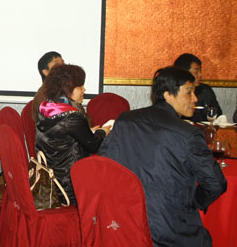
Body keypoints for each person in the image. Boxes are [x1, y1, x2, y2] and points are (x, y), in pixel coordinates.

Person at [99, 66, 227, 246]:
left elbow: (104, 164)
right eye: (189, 92)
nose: (195, 99)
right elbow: (215, 183)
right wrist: (194, 201)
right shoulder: (188, 134)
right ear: (168, 95)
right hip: (170, 228)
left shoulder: (125, 119)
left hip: (124, 222)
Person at [34, 64, 110, 205]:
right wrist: (102, 132)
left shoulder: (45, 107)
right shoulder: (72, 117)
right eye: (80, 86)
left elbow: (60, 136)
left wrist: (87, 131)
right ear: (67, 89)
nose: (84, 90)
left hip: (49, 179)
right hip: (69, 185)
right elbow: (93, 145)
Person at [173, 53, 222, 122]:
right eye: (196, 72)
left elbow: (218, 115)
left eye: (200, 71)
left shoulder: (206, 90)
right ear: (184, 72)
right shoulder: (174, 92)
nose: (200, 75)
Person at [31, 51, 64, 121]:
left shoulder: (67, 90)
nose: (63, 66)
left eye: (62, 62)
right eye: (57, 64)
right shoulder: (42, 96)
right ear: (46, 72)